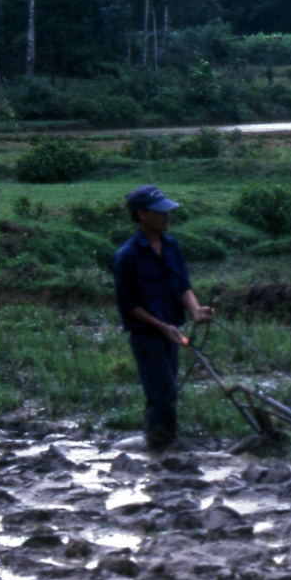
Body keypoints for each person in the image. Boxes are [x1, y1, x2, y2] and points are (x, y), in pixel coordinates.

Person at [112, 184, 212, 451]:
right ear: (142, 214)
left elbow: (182, 285)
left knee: (163, 391)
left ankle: (157, 442)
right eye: (160, 212)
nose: (167, 217)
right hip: (147, 335)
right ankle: (162, 446)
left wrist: (195, 310)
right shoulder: (127, 256)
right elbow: (129, 305)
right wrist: (161, 326)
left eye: (168, 212)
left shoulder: (172, 247)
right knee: (164, 391)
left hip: (173, 332)